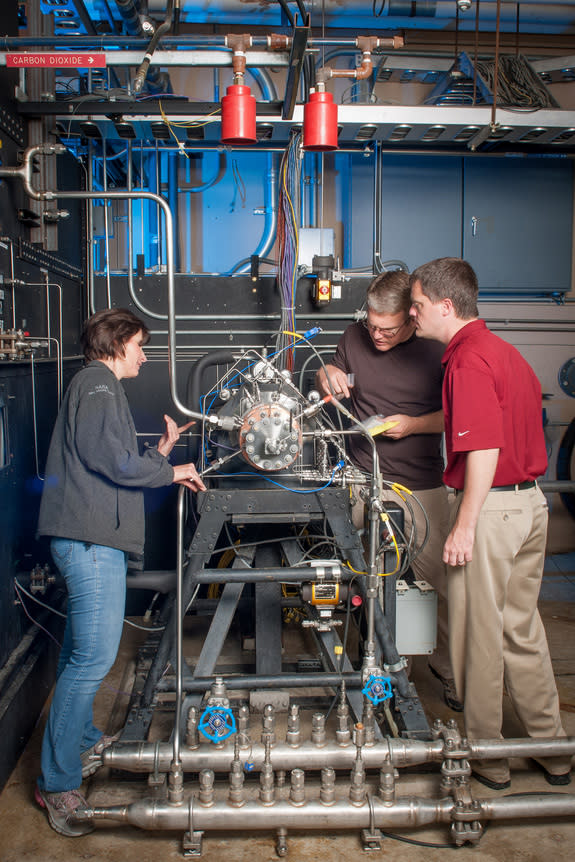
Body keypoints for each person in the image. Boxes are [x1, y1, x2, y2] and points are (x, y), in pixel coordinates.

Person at [34, 307, 206, 836]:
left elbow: (109, 460)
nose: (144, 354)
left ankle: (82, 740)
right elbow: (108, 460)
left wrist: (159, 453)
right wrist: (170, 469)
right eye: (139, 344)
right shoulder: (99, 384)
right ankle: (57, 784)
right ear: (116, 343)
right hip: (89, 543)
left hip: (88, 539)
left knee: (79, 656)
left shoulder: (98, 387)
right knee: (93, 660)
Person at [409, 256, 571, 790]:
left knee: (477, 639)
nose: (412, 315)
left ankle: (489, 758)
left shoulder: (466, 360)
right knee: (520, 631)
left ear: (446, 306)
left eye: (417, 305)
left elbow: (482, 445)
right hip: (530, 506)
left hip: (492, 509)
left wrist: (464, 525)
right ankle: (553, 750)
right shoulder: (505, 354)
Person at [315, 270, 461, 711]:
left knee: (441, 587)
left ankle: (454, 671)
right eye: (372, 326)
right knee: (373, 586)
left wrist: (414, 425)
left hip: (422, 486)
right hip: (365, 482)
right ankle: (388, 675)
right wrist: (329, 372)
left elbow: (457, 415)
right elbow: (336, 374)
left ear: (413, 319)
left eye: (389, 329)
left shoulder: (438, 349)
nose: (377, 336)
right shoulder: (355, 336)